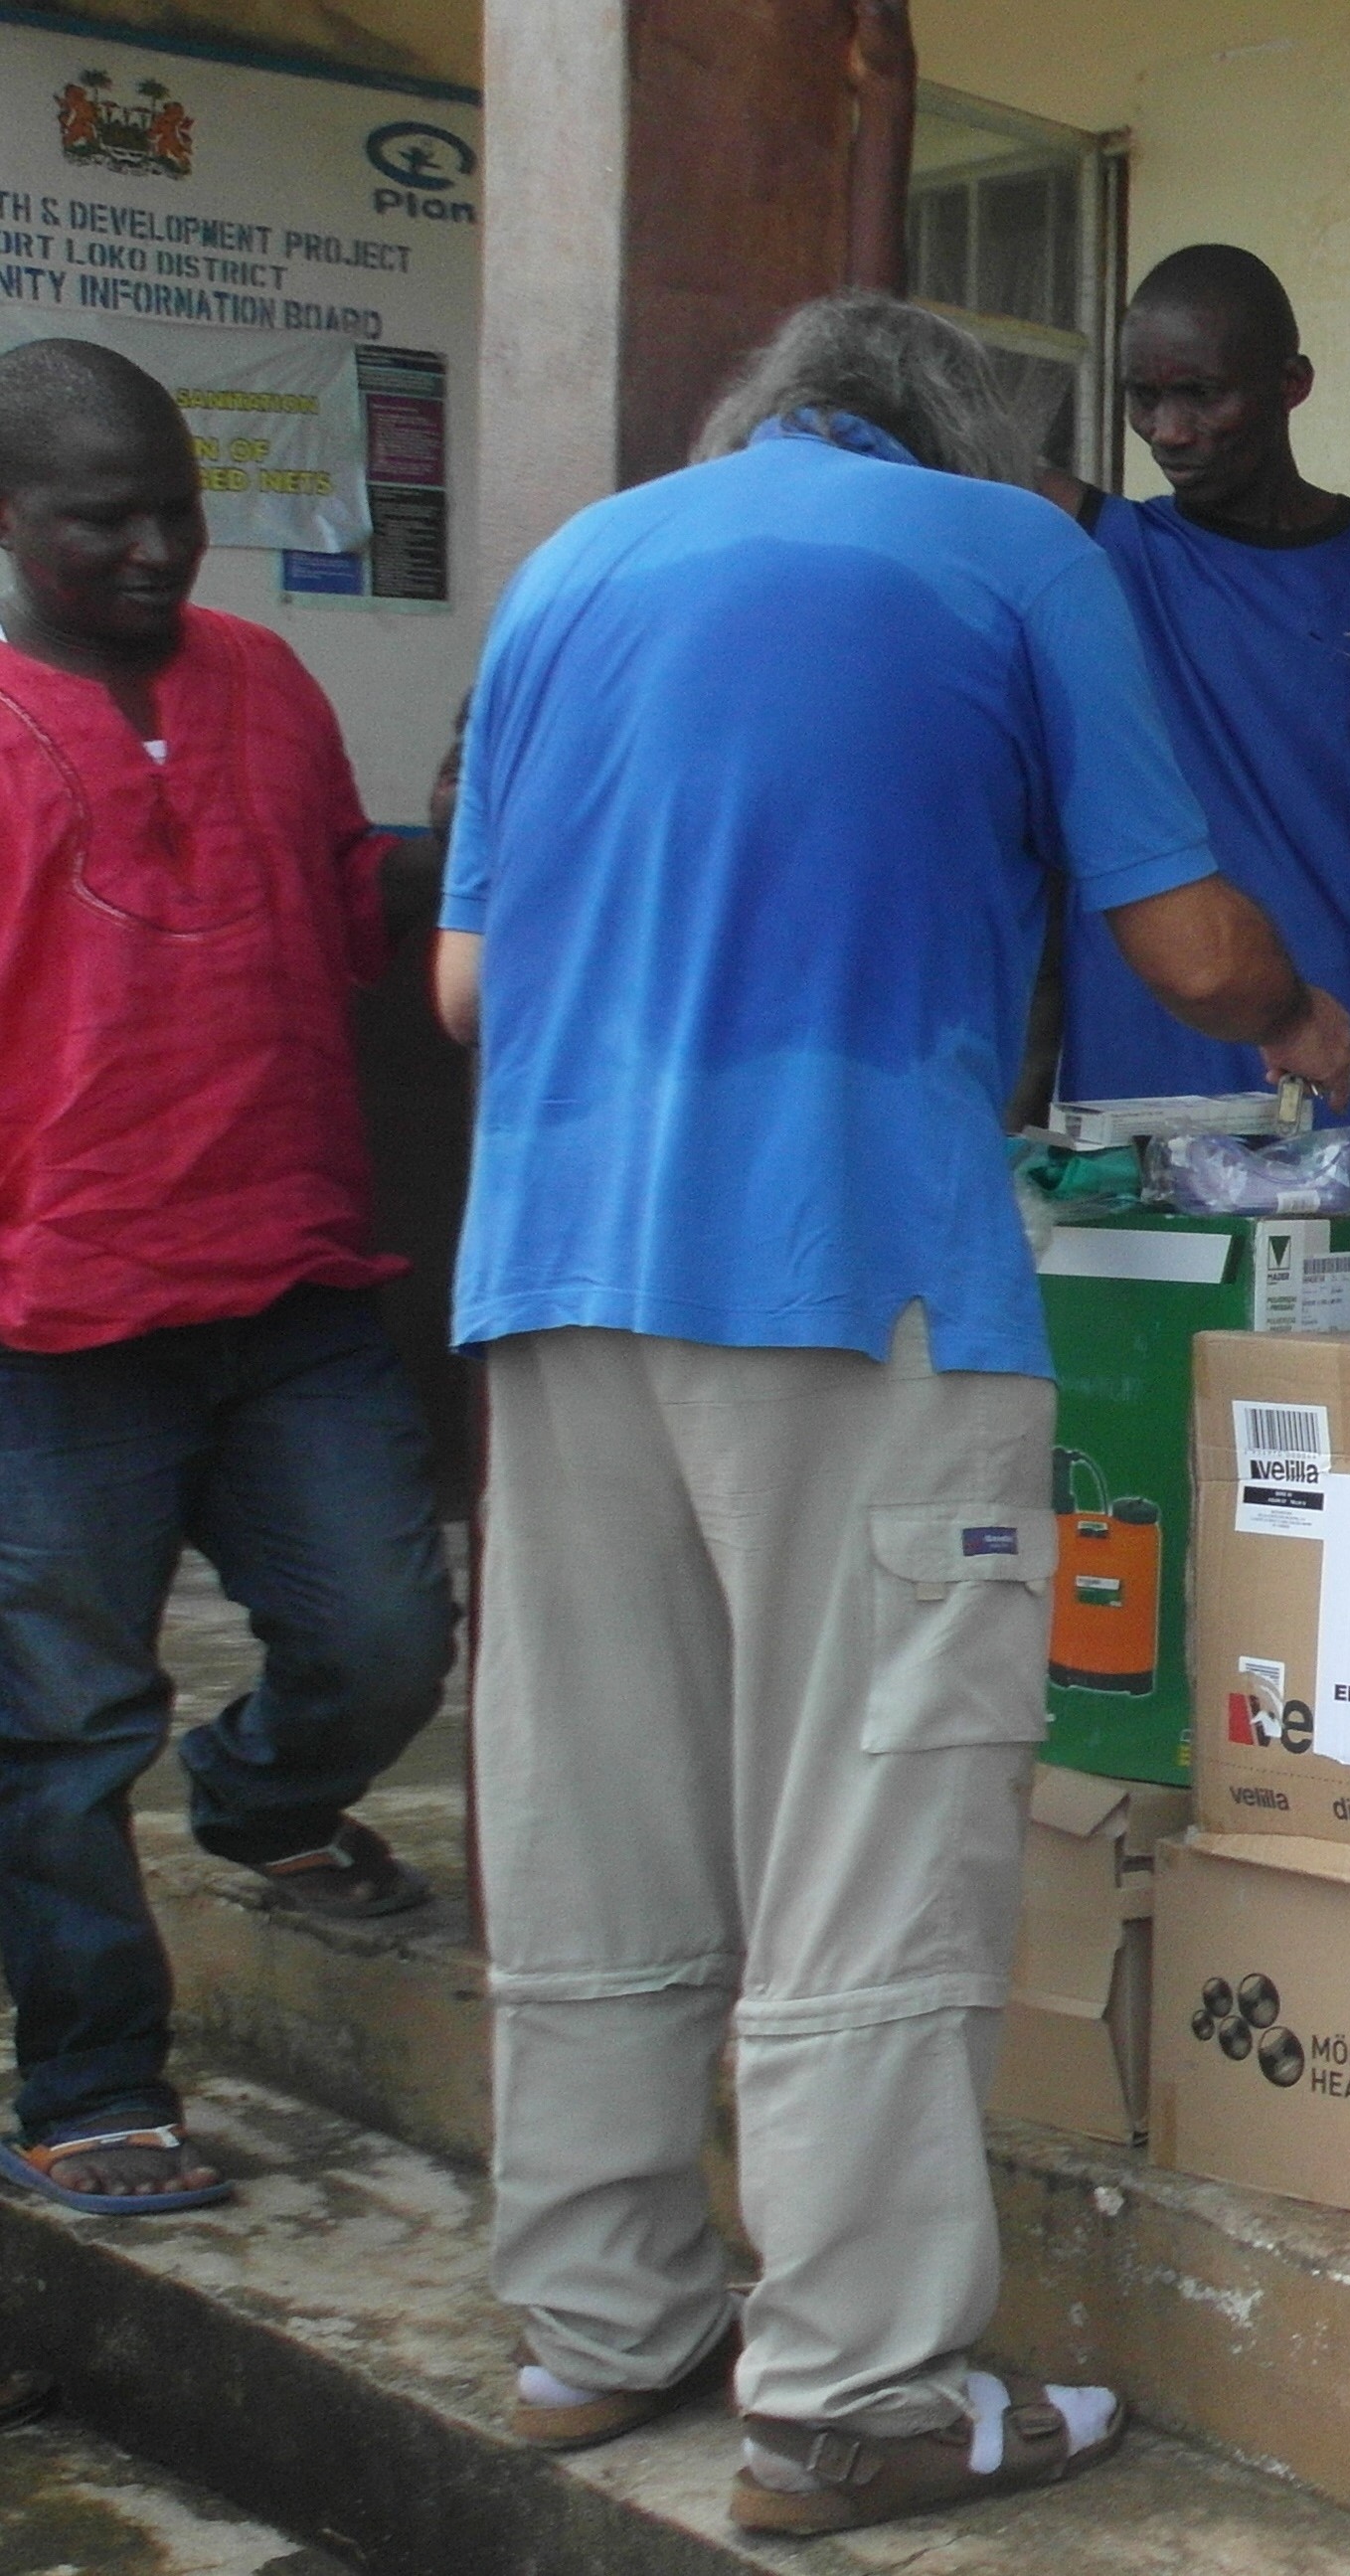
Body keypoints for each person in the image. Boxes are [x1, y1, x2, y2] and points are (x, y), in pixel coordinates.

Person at [435, 293, 1350, 2535]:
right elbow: (1188, 948)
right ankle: (852, 2388)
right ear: (970, 440)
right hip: (856, 1265)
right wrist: (1314, 1021)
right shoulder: (1016, 551)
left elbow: (464, 982)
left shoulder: (570, 565)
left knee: (596, 1804)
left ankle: (599, 2319)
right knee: (873, 1812)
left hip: (555, 1269)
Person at [0, 340, 454, 2219]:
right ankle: (93, 2087)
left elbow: (347, 905)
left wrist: (466, 838)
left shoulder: (265, 679)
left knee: (388, 1637)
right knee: (60, 1736)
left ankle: (262, 1802)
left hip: (292, 1279)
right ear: (7, 518)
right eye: (101, 517)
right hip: (50, 1325)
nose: (151, 548)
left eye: (176, 510)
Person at [1043, 245, 1350, 1314]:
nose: (1169, 430)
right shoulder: (1102, 550)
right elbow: (913, 420)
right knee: (1151, 1415)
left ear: (1291, 384)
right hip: (1148, 1107)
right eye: (1143, 397)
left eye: (1201, 394)